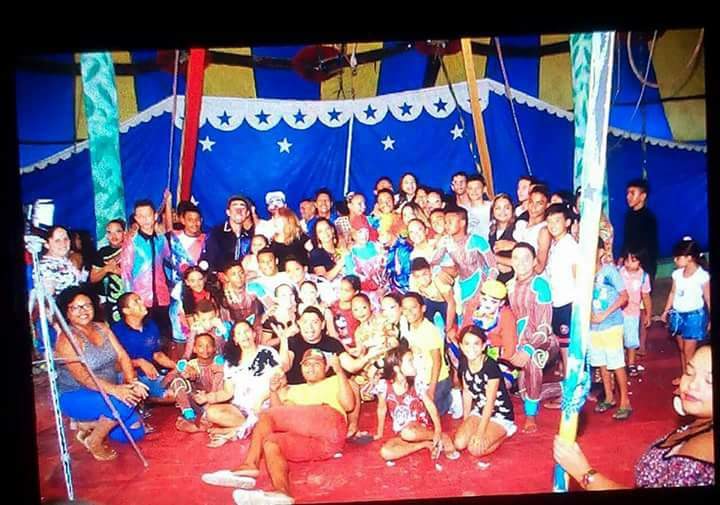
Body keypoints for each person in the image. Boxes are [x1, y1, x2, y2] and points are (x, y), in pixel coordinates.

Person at [202, 350, 355, 505]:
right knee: (271, 442)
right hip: (326, 446)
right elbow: (278, 415)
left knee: (266, 415)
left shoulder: (335, 380)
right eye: (307, 364)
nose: (311, 368)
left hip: (332, 421)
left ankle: (250, 464)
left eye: (317, 363)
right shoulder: (295, 390)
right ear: (301, 368)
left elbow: (349, 405)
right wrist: (273, 391)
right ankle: (281, 492)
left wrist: (339, 371)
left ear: (326, 367)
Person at [554, 344, 714, 489]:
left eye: (709, 381)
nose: (692, 384)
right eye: (689, 372)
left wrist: (584, 474)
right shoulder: (698, 424)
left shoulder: (705, 456)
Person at [54, 286, 148, 461]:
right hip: (76, 394)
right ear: (66, 312)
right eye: (76, 307)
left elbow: (122, 356)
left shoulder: (102, 328)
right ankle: (94, 440)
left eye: (87, 305)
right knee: (124, 402)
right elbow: (85, 378)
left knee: (135, 432)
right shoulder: (67, 340)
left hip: (108, 390)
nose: (83, 311)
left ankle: (89, 425)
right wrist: (117, 390)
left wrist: (132, 382)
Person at [197, 321, 282, 446]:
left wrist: (261, 399)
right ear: (235, 340)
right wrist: (207, 397)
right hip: (240, 409)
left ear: (254, 334)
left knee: (261, 414)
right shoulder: (231, 362)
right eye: (239, 333)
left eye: (246, 331)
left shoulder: (268, 352)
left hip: (263, 405)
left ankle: (237, 430)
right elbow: (227, 393)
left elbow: (280, 380)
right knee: (211, 412)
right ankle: (248, 426)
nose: (244, 335)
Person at [506, 242, 561, 431]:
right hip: (522, 341)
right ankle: (567, 387)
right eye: (516, 258)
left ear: (534, 261)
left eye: (525, 258)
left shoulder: (540, 284)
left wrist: (527, 350)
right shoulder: (510, 286)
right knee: (525, 393)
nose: (520, 262)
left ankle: (531, 416)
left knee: (532, 362)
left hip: (544, 342)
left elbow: (544, 328)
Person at [374, 342, 459, 462]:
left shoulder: (416, 382)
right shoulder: (384, 385)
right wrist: (379, 432)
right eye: (410, 361)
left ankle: (441, 437)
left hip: (419, 428)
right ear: (397, 368)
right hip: (401, 431)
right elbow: (382, 409)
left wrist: (438, 429)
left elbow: (430, 405)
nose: (414, 364)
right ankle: (424, 445)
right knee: (386, 452)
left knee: (408, 433)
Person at [453, 326, 516, 457]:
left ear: (483, 346)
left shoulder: (490, 366)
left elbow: (490, 402)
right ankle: (486, 431)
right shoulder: (463, 362)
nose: (471, 348)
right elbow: (467, 392)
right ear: (461, 346)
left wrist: (480, 433)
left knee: (475, 449)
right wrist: (466, 420)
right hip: (479, 410)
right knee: (459, 443)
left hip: (499, 413)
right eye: (467, 344)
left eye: (476, 344)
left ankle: (507, 431)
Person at [589, 238, 632, 421]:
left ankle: (625, 402)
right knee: (601, 362)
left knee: (616, 363)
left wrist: (604, 314)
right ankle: (608, 397)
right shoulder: (585, 274)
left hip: (611, 324)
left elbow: (624, 296)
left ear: (601, 252)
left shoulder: (609, 272)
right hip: (593, 327)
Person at [661, 237, 711, 387]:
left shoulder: (702, 276)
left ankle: (690, 382)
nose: (675, 260)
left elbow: (708, 298)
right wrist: (666, 311)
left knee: (689, 352)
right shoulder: (677, 274)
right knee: (682, 349)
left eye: (678, 257)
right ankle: (685, 375)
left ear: (689, 258)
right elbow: (672, 293)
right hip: (678, 315)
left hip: (694, 317)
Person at [120, 199, 172, 340]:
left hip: (162, 298)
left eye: (148, 215)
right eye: (141, 216)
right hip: (141, 301)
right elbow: (125, 272)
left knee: (164, 337)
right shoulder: (131, 242)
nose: (145, 219)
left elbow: (168, 262)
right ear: (136, 219)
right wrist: (130, 300)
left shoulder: (161, 240)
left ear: (155, 216)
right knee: (146, 338)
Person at [112, 292, 177, 404]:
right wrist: (139, 362)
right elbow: (115, 365)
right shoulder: (116, 331)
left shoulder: (151, 325)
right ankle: (144, 399)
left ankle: (146, 399)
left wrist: (178, 367)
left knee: (179, 390)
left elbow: (157, 354)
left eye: (140, 299)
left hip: (149, 375)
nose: (142, 302)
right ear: (126, 311)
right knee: (173, 395)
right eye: (136, 301)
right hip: (128, 376)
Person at [401, 293, 452, 416]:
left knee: (431, 415)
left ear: (423, 308)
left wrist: (432, 389)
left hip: (437, 379)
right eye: (405, 308)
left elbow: (437, 361)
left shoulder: (429, 330)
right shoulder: (410, 326)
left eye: (413, 307)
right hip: (422, 378)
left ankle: (451, 399)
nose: (409, 312)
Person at [163, 333, 225, 433]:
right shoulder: (191, 365)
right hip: (197, 403)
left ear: (214, 348)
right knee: (177, 380)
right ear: (194, 349)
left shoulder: (218, 363)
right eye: (200, 346)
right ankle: (189, 415)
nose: (205, 349)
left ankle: (201, 424)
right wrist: (181, 367)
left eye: (208, 346)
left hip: (215, 403)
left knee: (221, 375)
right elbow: (164, 383)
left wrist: (221, 367)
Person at [544, 203, 579, 377]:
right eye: (549, 221)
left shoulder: (570, 245)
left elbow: (577, 275)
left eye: (557, 221)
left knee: (567, 347)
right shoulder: (555, 245)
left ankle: (570, 383)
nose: (553, 225)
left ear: (567, 222)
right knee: (562, 344)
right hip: (557, 301)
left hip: (568, 302)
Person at [619, 247, 652, 377]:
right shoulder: (619, 273)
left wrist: (648, 314)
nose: (628, 264)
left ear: (641, 262)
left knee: (631, 340)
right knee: (618, 338)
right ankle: (619, 363)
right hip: (617, 312)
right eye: (626, 260)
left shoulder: (643, 277)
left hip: (632, 313)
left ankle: (631, 363)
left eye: (633, 261)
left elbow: (646, 296)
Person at [202, 195, 255, 274]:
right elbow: (209, 260)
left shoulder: (250, 235)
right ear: (228, 212)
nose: (239, 211)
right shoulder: (216, 233)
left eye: (242, 207)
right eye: (234, 207)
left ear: (247, 213)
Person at [622, 179, 658, 288]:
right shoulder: (629, 215)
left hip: (644, 264)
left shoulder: (649, 218)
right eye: (627, 193)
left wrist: (640, 264)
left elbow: (650, 246)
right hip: (630, 262)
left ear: (643, 196)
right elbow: (627, 239)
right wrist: (622, 257)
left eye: (632, 193)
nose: (628, 197)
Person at [90, 219, 126, 323]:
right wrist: (106, 269)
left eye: (118, 231)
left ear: (124, 233)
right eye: (109, 232)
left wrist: (119, 271)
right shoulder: (102, 252)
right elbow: (93, 278)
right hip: (112, 299)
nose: (113, 236)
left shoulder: (131, 249)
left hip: (132, 294)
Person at [488, 193, 517, 284]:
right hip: (496, 281)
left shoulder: (518, 229)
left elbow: (523, 260)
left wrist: (496, 259)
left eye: (507, 208)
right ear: (493, 211)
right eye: (498, 208)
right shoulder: (492, 231)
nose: (502, 211)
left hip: (513, 281)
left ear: (512, 209)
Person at [462, 174, 492, 240]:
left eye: (477, 188)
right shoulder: (463, 210)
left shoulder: (492, 207)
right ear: (466, 190)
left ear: (484, 189)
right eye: (470, 188)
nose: (474, 191)